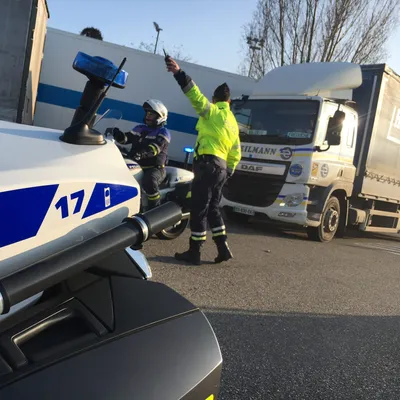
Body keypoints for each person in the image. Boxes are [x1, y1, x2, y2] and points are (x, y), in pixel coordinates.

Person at [165, 56, 241, 265]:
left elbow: (194, 95)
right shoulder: (233, 123)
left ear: (215, 100)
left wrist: (179, 73)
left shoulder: (213, 112)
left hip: (207, 165)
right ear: (229, 102)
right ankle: (223, 247)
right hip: (222, 169)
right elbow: (236, 152)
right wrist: (229, 172)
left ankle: (194, 251)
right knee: (214, 208)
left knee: (198, 207)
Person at [112, 99, 171, 209]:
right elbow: (126, 139)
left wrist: (142, 153)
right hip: (136, 164)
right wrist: (117, 135)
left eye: (151, 114)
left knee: (149, 181)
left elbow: (155, 148)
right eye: (147, 113)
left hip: (154, 168)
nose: (148, 116)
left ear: (160, 117)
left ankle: (154, 210)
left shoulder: (163, 132)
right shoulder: (140, 128)